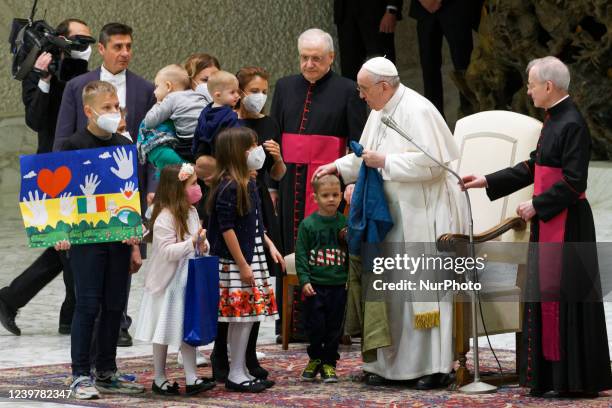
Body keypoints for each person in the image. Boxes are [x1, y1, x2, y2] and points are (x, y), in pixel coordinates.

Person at [461, 56, 612, 397]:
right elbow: (534, 166)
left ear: (548, 85)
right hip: (549, 220)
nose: (527, 91)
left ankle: (572, 379)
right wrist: (487, 180)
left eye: (531, 85)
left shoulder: (572, 122)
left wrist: (536, 204)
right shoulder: (553, 119)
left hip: (567, 223)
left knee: (565, 300)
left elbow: (575, 181)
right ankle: (549, 376)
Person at [314, 57, 465, 389]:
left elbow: (435, 164)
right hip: (386, 215)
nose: (361, 96)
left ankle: (432, 367)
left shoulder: (418, 110)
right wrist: (336, 168)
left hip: (420, 212)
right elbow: (365, 155)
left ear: (384, 86)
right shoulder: (380, 111)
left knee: (417, 290)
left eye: (364, 89)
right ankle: (387, 365)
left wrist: (387, 161)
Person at [54, 22, 156, 347]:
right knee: (88, 288)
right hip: (86, 197)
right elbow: (61, 144)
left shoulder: (144, 89)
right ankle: (87, 354)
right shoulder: (77, 86)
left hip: (126, 192)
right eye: (117, 46)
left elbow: (150, 145)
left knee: (120, 278)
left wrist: (151, 186)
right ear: (102, 48)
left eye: (129, 46)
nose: (124, 53)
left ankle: (116, 333)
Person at [271, 28, 367, 341]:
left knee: (327, 251)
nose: (309, 64)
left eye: (316, 58)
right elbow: (275, 135)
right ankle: (291, 325)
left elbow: (358, 142)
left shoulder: (349, 89)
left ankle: (331, 325)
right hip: (289, 183)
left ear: (330, 58)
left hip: (329, 184)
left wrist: (353, 182)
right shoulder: (285, 87)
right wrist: (272, 184)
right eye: (304, 57)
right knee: (289, 247)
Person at [0, 18, 91, 337]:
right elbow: (37, 120)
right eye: (78, 39)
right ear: (61, 40)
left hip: (83, 168)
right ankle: (70, 314)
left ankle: (14, 299)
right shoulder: (41, 70)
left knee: (69, 245)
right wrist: (42, 78)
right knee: (68, 246)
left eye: (88, 39)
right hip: (51, 169)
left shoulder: (84, 74)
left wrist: (80, 69)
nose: (85, 44)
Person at [59, 80, 145, 399]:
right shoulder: (71, 145)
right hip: (85, 240)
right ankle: (81, 374)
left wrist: (135, 242)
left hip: (119, 239)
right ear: (88, 111)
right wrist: (60, 233)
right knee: (88, 304)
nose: (113, 113)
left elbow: (129, 194)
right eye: (107, 108)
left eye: (116, 107)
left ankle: (107, 370)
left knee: (114, 305)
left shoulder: (123, 143)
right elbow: (58, 194)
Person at [209, 66, 287, 383]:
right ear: (238, 92)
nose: (260, 95)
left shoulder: (267, 127)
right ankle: (223, 359)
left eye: (264, 89)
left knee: (251, 300)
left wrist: (278, 158)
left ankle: (245, 360)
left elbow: (276, 173)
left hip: (256, 222)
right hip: (235, 238)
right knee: (233, 301)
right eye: (253, 89)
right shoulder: (227, 124)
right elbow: (225, 223)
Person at [134, 163, 216, 396]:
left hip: (187, 281)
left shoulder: (191, 212)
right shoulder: (164, 217)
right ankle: (159, 377)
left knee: (187, 328)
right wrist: (191, 242)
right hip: (168, 283)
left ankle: (192, 378)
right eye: (193, 185)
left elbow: (199, 243)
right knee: (162, 331)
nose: (197, 188)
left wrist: (202, 243)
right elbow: (168, 252)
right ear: (177, 189)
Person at [296, 174, 348, 383]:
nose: (331, 199)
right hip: (315, 286)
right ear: (315, 197)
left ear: (342, 196)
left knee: (334, 328)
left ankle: (329, 363)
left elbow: (352, 255)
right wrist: (305, 280)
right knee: (315, 326)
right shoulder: (308, 225)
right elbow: (301, 254)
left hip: (338, 286)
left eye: (335, 195)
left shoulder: (345, 224)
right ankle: (315, 358)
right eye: (325, 195)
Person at [409, 0, 483, 117]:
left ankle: (469, 116)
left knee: (464, 66)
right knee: (429, 68)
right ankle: (435, 121)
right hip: (424, 9)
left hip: (456, 7)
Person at [138, 64, 208, 169]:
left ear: (168, 86)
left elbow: (149, 122)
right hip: (207, 139)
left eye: (156, 87)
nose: (154, 91)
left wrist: (158, 104)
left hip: (189, 144)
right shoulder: (196, 95)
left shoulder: (171, 99)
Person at [334, 0, 403, 81]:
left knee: (382, 66)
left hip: (376, 13)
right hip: (345, 13)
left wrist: (392, 9)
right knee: (350, 68)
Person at [192, 70, 240, 180]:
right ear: (218, 95)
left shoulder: (205, 111)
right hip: (221, 157)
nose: (237, 95)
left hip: (202, 153)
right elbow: (234, 141)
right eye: (232, 92)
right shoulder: (230, 116)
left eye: (237, 91)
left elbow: (197, 134)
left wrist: (195, 152)